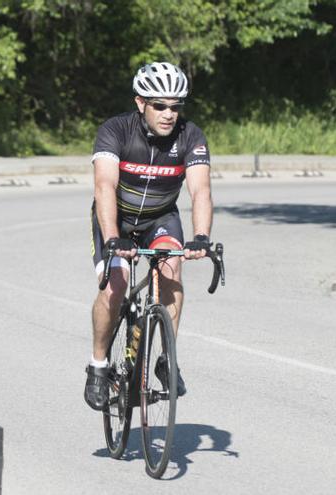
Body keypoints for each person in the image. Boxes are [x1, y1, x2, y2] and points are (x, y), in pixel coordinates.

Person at [84, 62, 214, 411]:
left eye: (176, 106)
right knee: (117, 284)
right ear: (140, 103)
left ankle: (165, 357)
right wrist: (113, 238)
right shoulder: (116, 130)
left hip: (160, 217)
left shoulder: (191, 136)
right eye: (160, 105)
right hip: (117, 218)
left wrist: (201, 237)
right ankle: (97, 365)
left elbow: (200, 191)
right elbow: (104, 185)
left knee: (172, 271)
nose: (169, 114)